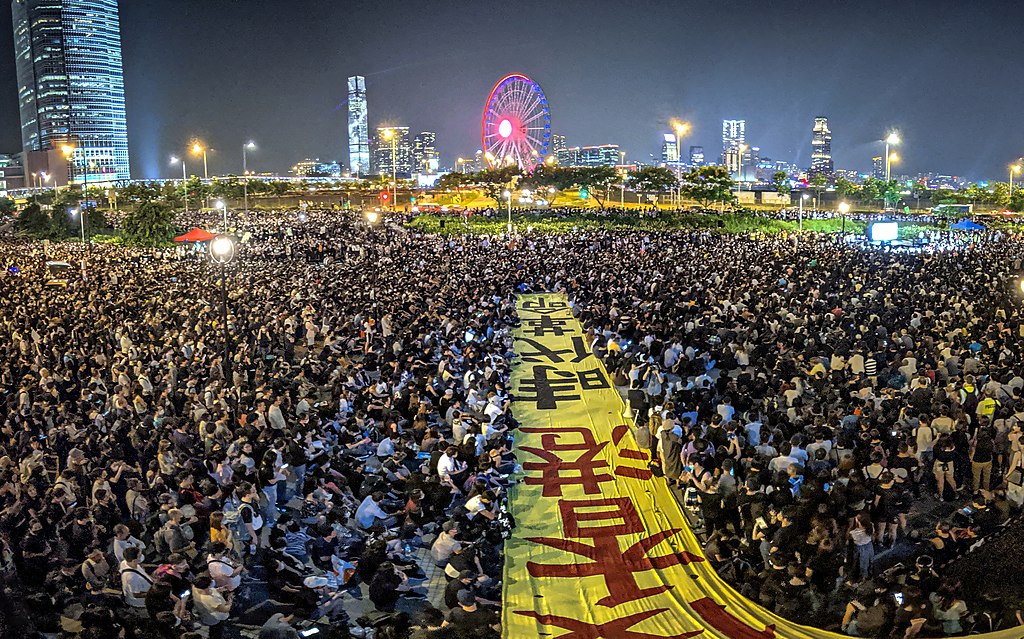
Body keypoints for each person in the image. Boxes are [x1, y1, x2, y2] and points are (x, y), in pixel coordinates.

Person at [192, 574, 232, 639]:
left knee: (214, 629)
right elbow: (224, 609)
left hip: (206, 614)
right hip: (214, 618)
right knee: (216, 630)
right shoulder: (210, 599)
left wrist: (219, 589)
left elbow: (212, 590)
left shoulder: (197, 588)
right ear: (208, 586)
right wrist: (230, 602)